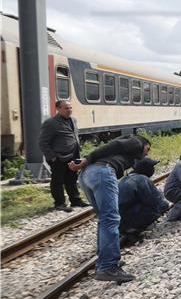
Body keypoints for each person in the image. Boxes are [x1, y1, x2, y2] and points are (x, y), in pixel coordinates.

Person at [71, 134, 151, 282]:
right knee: (111, 219)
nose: (147, 152)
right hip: (102, 173)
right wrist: (86, 159)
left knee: (104, 219)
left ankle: (104, 262)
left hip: (86, 175)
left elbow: (113, 149)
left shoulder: (125, 152)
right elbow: (113, 146)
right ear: (143, 142)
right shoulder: (136, 142)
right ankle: (109, 267)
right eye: (148, 148)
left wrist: (87, 162)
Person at [38, 100, 90, 212]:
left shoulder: (73, 120)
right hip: (58, 157)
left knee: (71, 179)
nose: (69, 110)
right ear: (58, 109)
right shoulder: (50, 123)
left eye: (70, 107)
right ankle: (59, 203)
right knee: (58, 181)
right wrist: (53, 157)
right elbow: (43, 143)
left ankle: (75, 200)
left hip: (73, 155)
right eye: (66, 108)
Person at [118, 157, 170, 247]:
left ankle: (127, 229)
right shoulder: (141, 179)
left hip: (117, 221)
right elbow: (155, 202)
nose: (153, 170)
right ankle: (132, 229)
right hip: (126, 220)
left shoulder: (125, 179)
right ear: (146, 168)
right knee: (156, 210)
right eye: (152, 167)